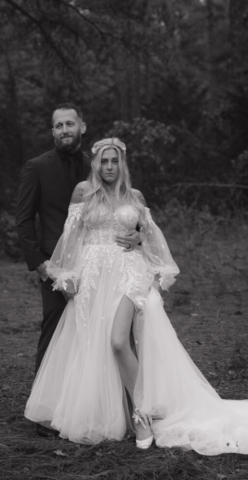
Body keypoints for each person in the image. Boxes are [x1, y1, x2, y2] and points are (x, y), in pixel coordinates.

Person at [24, 137, 248, 455]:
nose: (110, 167)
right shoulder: (83, 192)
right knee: (94, 346)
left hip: (129, 274)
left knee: (118, 341)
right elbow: (71, 237)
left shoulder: (134, 196)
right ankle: (107, 412)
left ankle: (141, 414)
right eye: (104, 161)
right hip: (93, 278)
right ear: (96, 164)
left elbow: (151, 238)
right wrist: (67, 275)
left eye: (115, 161)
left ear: (123, 163)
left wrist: (140, 239)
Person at [16, 107, 140, 437]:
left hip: (103, 269)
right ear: (52, 131)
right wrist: (45, 268)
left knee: (111, 334)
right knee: (58, 334)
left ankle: (118, 406)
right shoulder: (37, 167)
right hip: (56, 266)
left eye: (70, 123)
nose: (64, 129)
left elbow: (125, 207)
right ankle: (50, 411)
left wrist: (136, 236)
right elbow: (24, 221)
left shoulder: (99, 160)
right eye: (58, 126)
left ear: (82, 126)